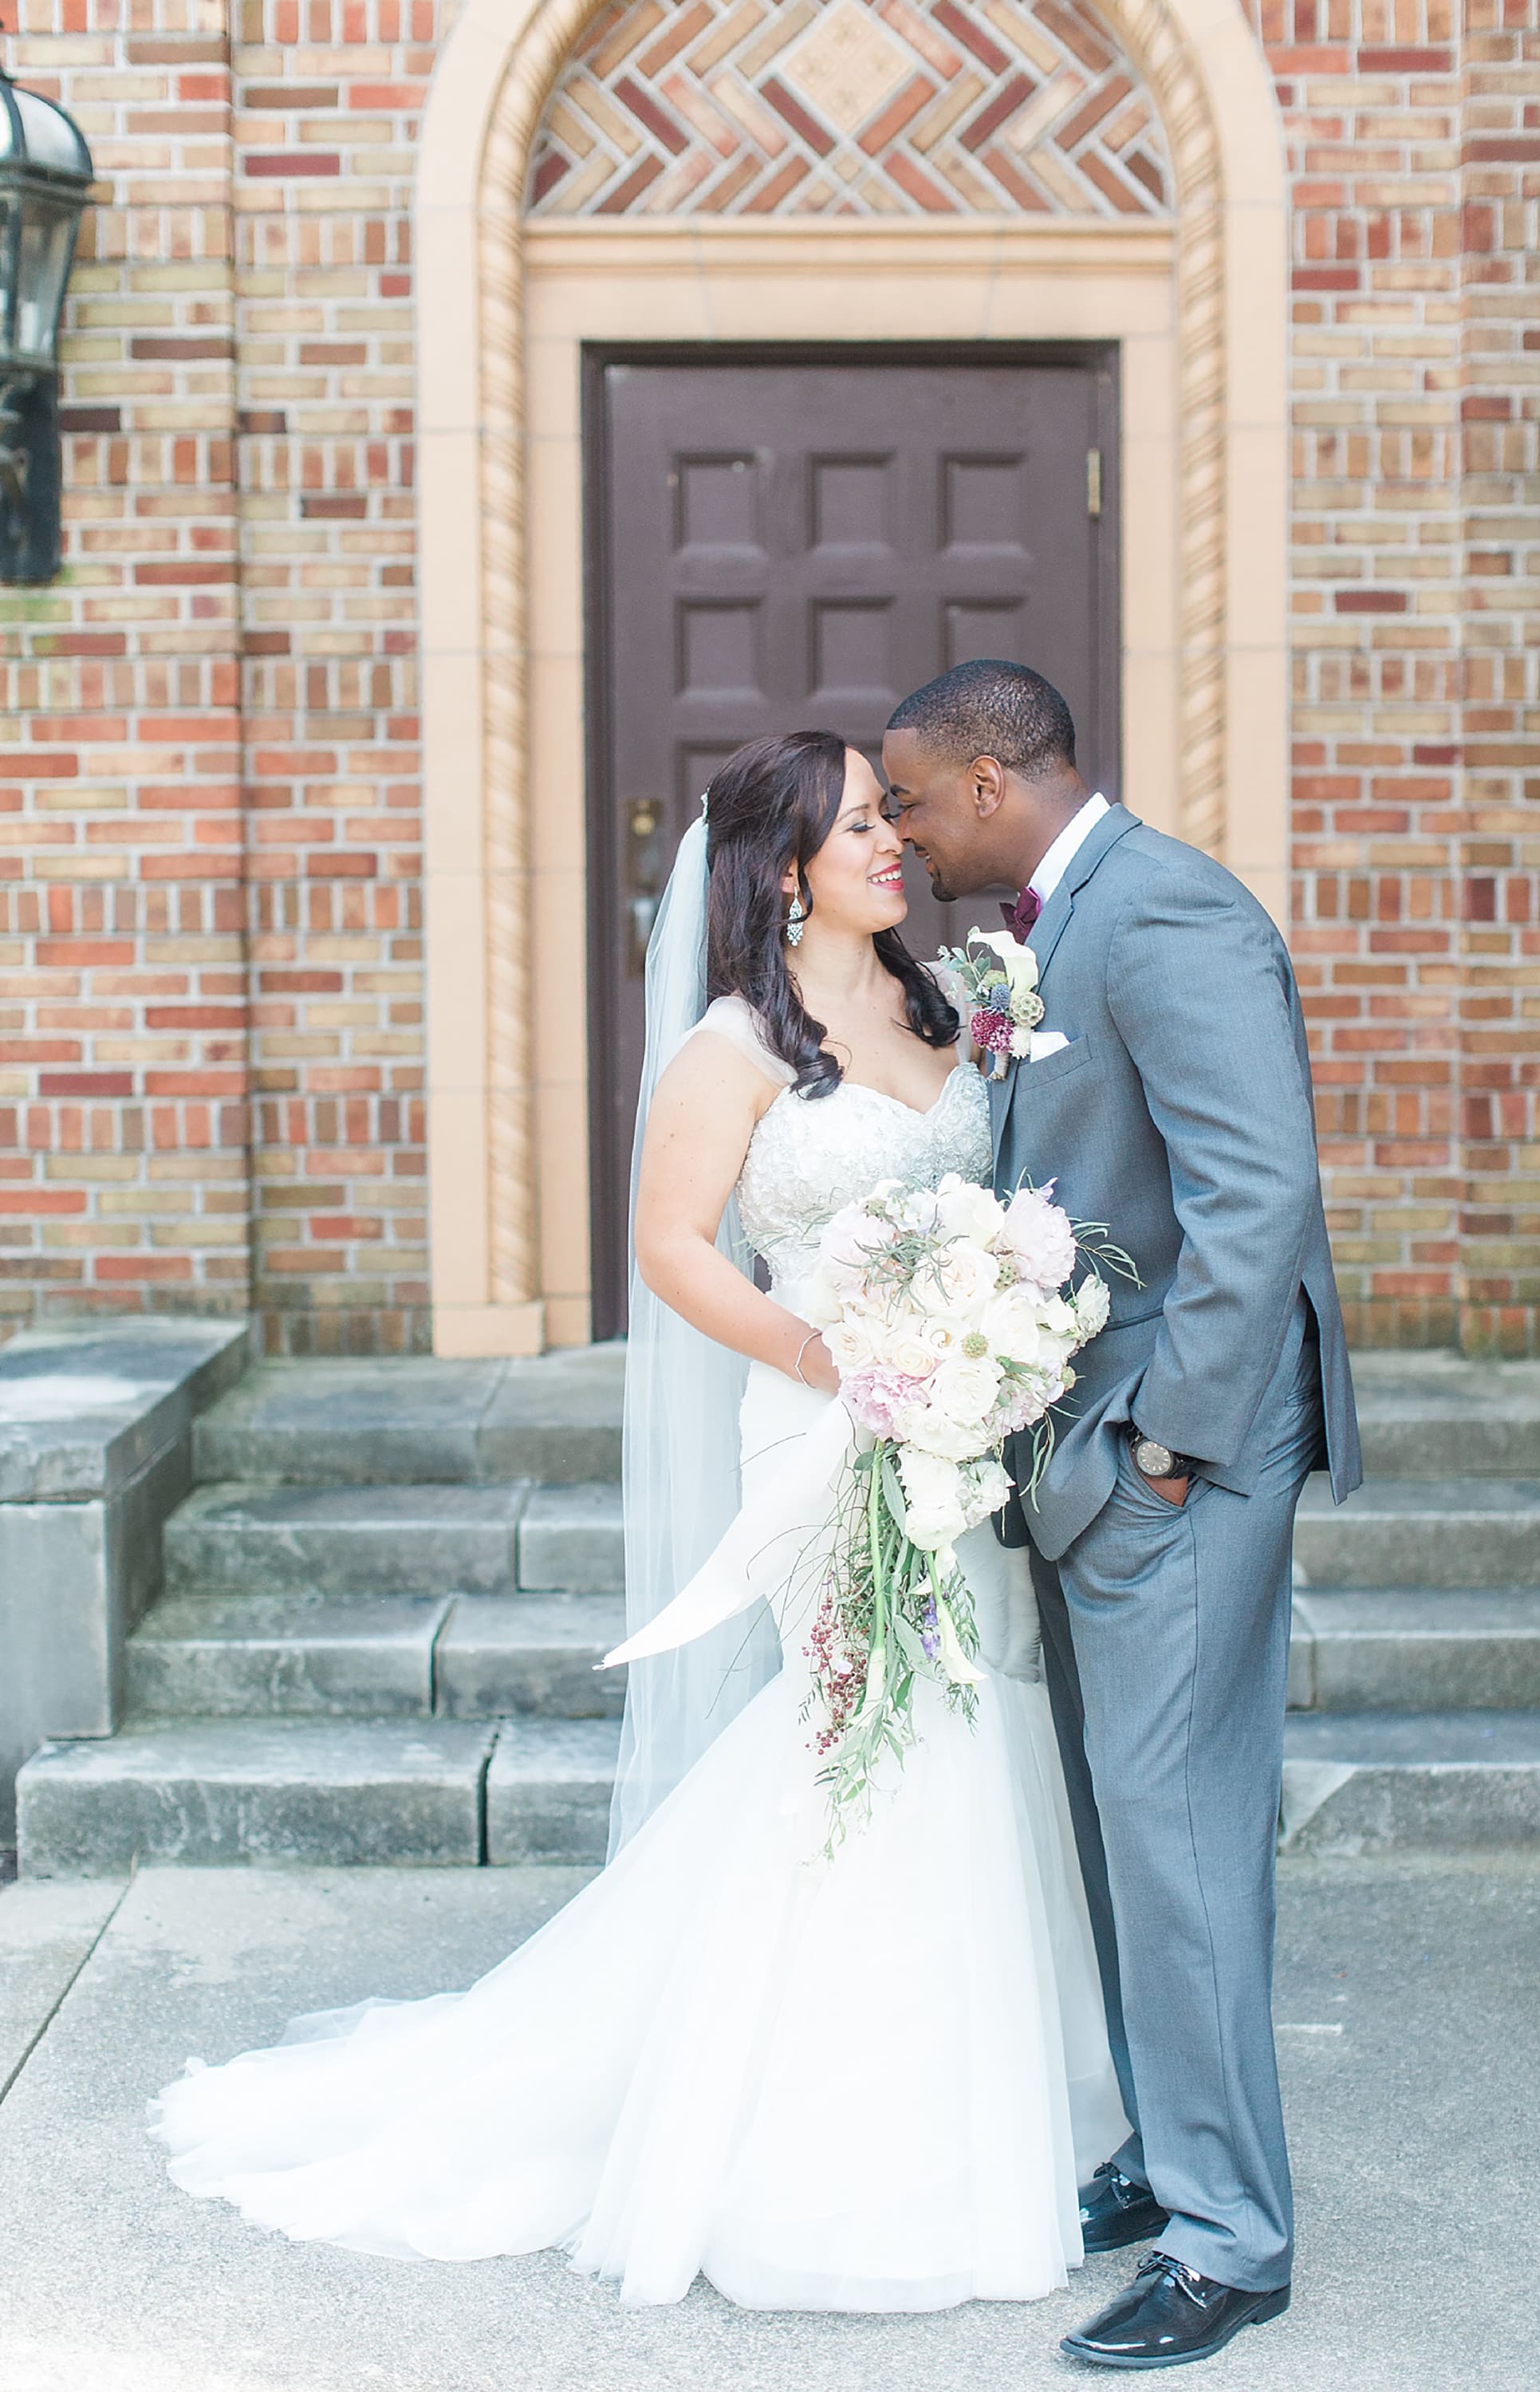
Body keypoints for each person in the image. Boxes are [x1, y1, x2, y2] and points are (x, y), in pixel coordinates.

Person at [150, 729, 1125, 2311]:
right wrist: (835, 1359)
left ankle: (998, 2100)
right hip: (818, 1418)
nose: (898, 843)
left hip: (963, 1417)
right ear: (786, 864)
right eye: (865, 824)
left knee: (975, 1714)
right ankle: (831, 2153)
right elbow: (674, 1248)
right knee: (861, 1719)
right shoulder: (735, 1046)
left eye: (894, 818)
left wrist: (984, 1328)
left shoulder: (949, 1007)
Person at [882, 660, 1361, 2370]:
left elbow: (1259, 1199)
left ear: (996, 777)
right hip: (1085, 1454)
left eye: (914, 798)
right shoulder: (1055, 915)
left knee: (1177, 1840)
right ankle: (1172, 2159)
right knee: (1124, 1836)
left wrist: (1164, 1448)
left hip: (1174, 1456)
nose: (902, 828)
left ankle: (1234, 2245)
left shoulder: (1167, 915)